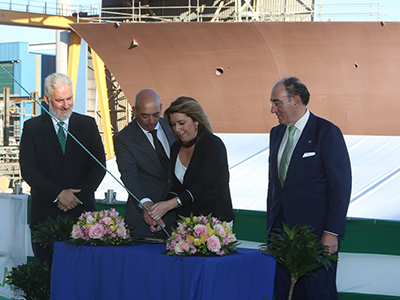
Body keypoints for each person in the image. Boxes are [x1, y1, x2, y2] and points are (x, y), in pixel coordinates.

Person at [267, 77, 352, 300]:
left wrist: (332, 232)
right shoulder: (276, 134)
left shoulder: (326, 132)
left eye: (277, 103)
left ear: (296, 100)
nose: (272, 109)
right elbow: (274, 186)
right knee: (284, 294)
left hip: (316, 239)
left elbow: (340, 187)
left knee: (317, 294)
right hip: (281, 237)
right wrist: (271, 226)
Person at [19, 73, 106, 265]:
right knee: (48, 278)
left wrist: (75, 198)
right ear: (47, 99)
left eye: (69, 98)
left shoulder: (87, 125)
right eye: (59, 100)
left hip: (83, 216)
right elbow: (29, 170)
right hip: (45, 218)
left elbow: (98, 167)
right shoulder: (32, 128)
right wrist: (58, 194)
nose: (66, 105)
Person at [150, 96, 235, 224]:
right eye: (173, 124)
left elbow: (201, 186)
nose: (177, 129)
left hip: (215, 222)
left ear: (196, 121)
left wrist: (169, 205)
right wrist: (159, 210)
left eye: (181, 123)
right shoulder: (176, 147)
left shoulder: (213, 145)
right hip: (185, 221)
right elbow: (177, 188)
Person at [114, 89, 176, 239]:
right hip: (144, 221)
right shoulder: (124, 139)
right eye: (145, 116)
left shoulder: (173, 127)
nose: (151, 121)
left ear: (161, 108)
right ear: (134, 111)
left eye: (156, 115)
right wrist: (146, 204)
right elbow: (129, 176)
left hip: (178, 218)